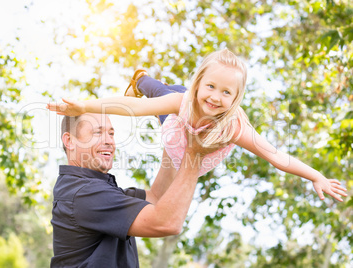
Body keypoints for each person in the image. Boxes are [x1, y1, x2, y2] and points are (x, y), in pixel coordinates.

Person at [47, 48, 347, 202]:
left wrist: (315, 176)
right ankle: (141, 79)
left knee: (171, 95)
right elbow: (136, 107)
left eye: (226, 92)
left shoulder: (234, 127)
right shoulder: (185, 102)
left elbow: (276, 155)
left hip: (190, 153)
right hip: (177, 130)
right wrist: (84, 106)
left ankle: (164, 85)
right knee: (162, 94)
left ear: (237, 97)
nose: (216, 98)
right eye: (211, 87)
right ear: (199, 84)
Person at [50, 113, 218, 267]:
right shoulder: (84, 194)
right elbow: (166, 222)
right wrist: (195, 154)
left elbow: (157, 197)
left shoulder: (94, 189)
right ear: (69, 141)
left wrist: (173, 137)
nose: (109, 141)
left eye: (111, 133)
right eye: (97, 133)